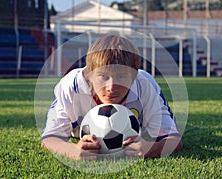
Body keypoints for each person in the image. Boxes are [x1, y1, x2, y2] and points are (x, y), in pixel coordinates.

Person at [41, 34, 183, 160]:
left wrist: (151, 149)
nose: (111, 87)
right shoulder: (71, 86)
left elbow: (174, 140)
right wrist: (72, 150)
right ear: (89, 75)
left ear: (134, 76)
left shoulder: (145, 85)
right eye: (103, 76)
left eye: (121, 76)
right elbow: (50, 139)